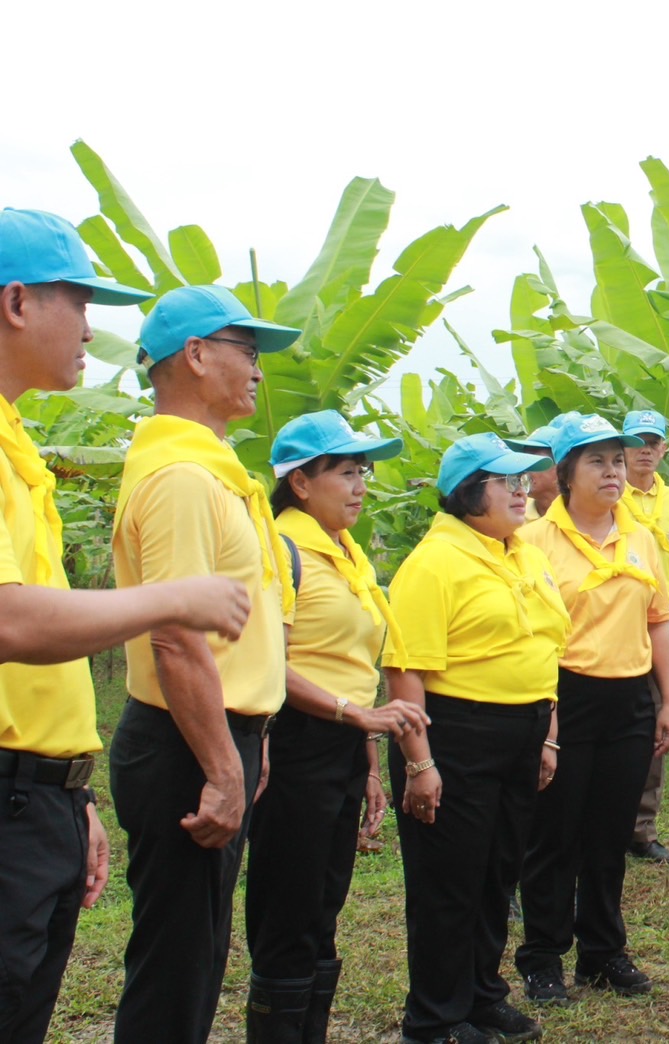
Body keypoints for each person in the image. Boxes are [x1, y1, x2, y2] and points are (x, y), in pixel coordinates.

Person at [0, 210, 252, 1044]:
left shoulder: (17, 448)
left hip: (34, 791)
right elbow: (9, 620)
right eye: (80, 303)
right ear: (17, 303)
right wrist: (174, 601)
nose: (92, 331)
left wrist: (68, 789)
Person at [110, 284, 301, 1044]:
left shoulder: (213, 468)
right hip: (186, 740)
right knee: (174, 967)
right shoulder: (183, 479)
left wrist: (245, 744)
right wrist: (222, 765)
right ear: (194, 355)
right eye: (247, 353)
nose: (258, 371)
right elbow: (175, 637)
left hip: (216, 734)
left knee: (196, 957)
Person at [244, 410, 428, 1041]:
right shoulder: (281, 549)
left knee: (323, 907)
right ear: (300, 482)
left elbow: (348, 665)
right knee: (289, 910)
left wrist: (369, 761)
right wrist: (357, 716)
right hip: (292, 745)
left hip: (342, 746)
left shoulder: (346, 552)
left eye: (364, 472)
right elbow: (267, 662)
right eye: (346, 472)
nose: (360, 486)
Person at [383, 432, 564, 1044]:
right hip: (455, 733)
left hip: (523, 728)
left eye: (523, 481)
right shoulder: (434, 564)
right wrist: (419, 764)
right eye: (506, 483)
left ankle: (482, 996)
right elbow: (404, 668)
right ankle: (433, 1018)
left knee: (496, 874)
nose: (522, 491)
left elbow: (544, 650)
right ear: (468, 494)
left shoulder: (523, 553)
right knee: (447, 882)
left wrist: (548, 734)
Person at [516, 413, 669, 1002]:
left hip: (630, 699)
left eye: (618, 460)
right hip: (564, 697)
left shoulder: (639, 537)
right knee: (555, 834)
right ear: (564, 473)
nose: (613, 472)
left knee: (610, 835)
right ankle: (542, 957)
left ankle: (603, 952)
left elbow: (658, 621)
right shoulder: (531, 541)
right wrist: (545, 720)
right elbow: (529, 638)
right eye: (597, 461)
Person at [620, 409, 669, 864]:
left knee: (658, 720)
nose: (646, 450)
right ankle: (607, 820)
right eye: (637, 442)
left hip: (663, 620)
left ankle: (641, 829)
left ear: (664, 448)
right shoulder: (610, 494)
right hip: (617, 618)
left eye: (654, 442)